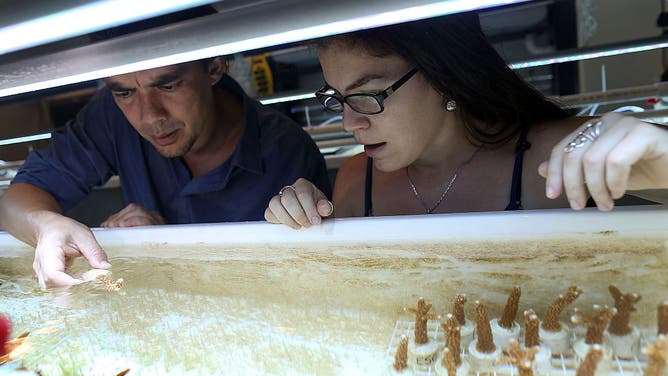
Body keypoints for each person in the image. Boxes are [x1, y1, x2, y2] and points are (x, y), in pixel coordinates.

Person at [264, 12, 667, 230]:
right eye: (338, 97)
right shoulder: (355, 181)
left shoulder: (556, 156)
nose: (350, 122)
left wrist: (658, 149)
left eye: (367, 95)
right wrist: (301, 221)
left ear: (443, 75)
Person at [0, 57, 331, 288]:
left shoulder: (285, 151)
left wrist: (162, 243)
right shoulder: (112, 115)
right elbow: (14, 202)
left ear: (214, 67)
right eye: (124, 92)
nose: (149, 116)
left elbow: (301, 287)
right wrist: (46, 226)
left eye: (169, 85)